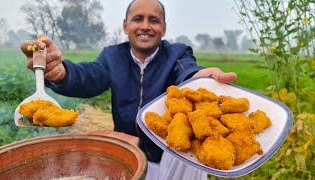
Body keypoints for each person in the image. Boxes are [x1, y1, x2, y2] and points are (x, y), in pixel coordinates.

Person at [20, 0, 237, 179]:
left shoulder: (177, 54)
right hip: (128, 153)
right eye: (137, 19)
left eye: (154, 20)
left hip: (172, 156)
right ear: (125, 26)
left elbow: (187, 72)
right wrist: (61, 73)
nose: (145, 26)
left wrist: (198, 80)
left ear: (164, 28)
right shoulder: (112, 57)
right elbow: (90, 76)